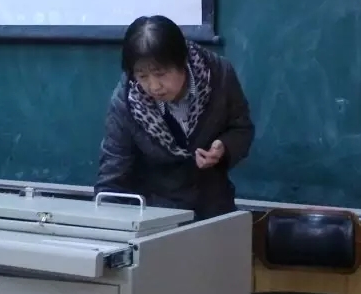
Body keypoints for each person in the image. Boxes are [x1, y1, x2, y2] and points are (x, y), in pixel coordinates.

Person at [95, 15, 255, 220]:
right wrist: (109, 225)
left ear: (182, 61)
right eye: (142, 76)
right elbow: (113, 173)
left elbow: (241, 128)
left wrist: (223, 148)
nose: (154, 86)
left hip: (214, 212)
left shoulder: (219, 75)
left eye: (161, 73)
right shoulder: (126, 101)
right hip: (155, 217)